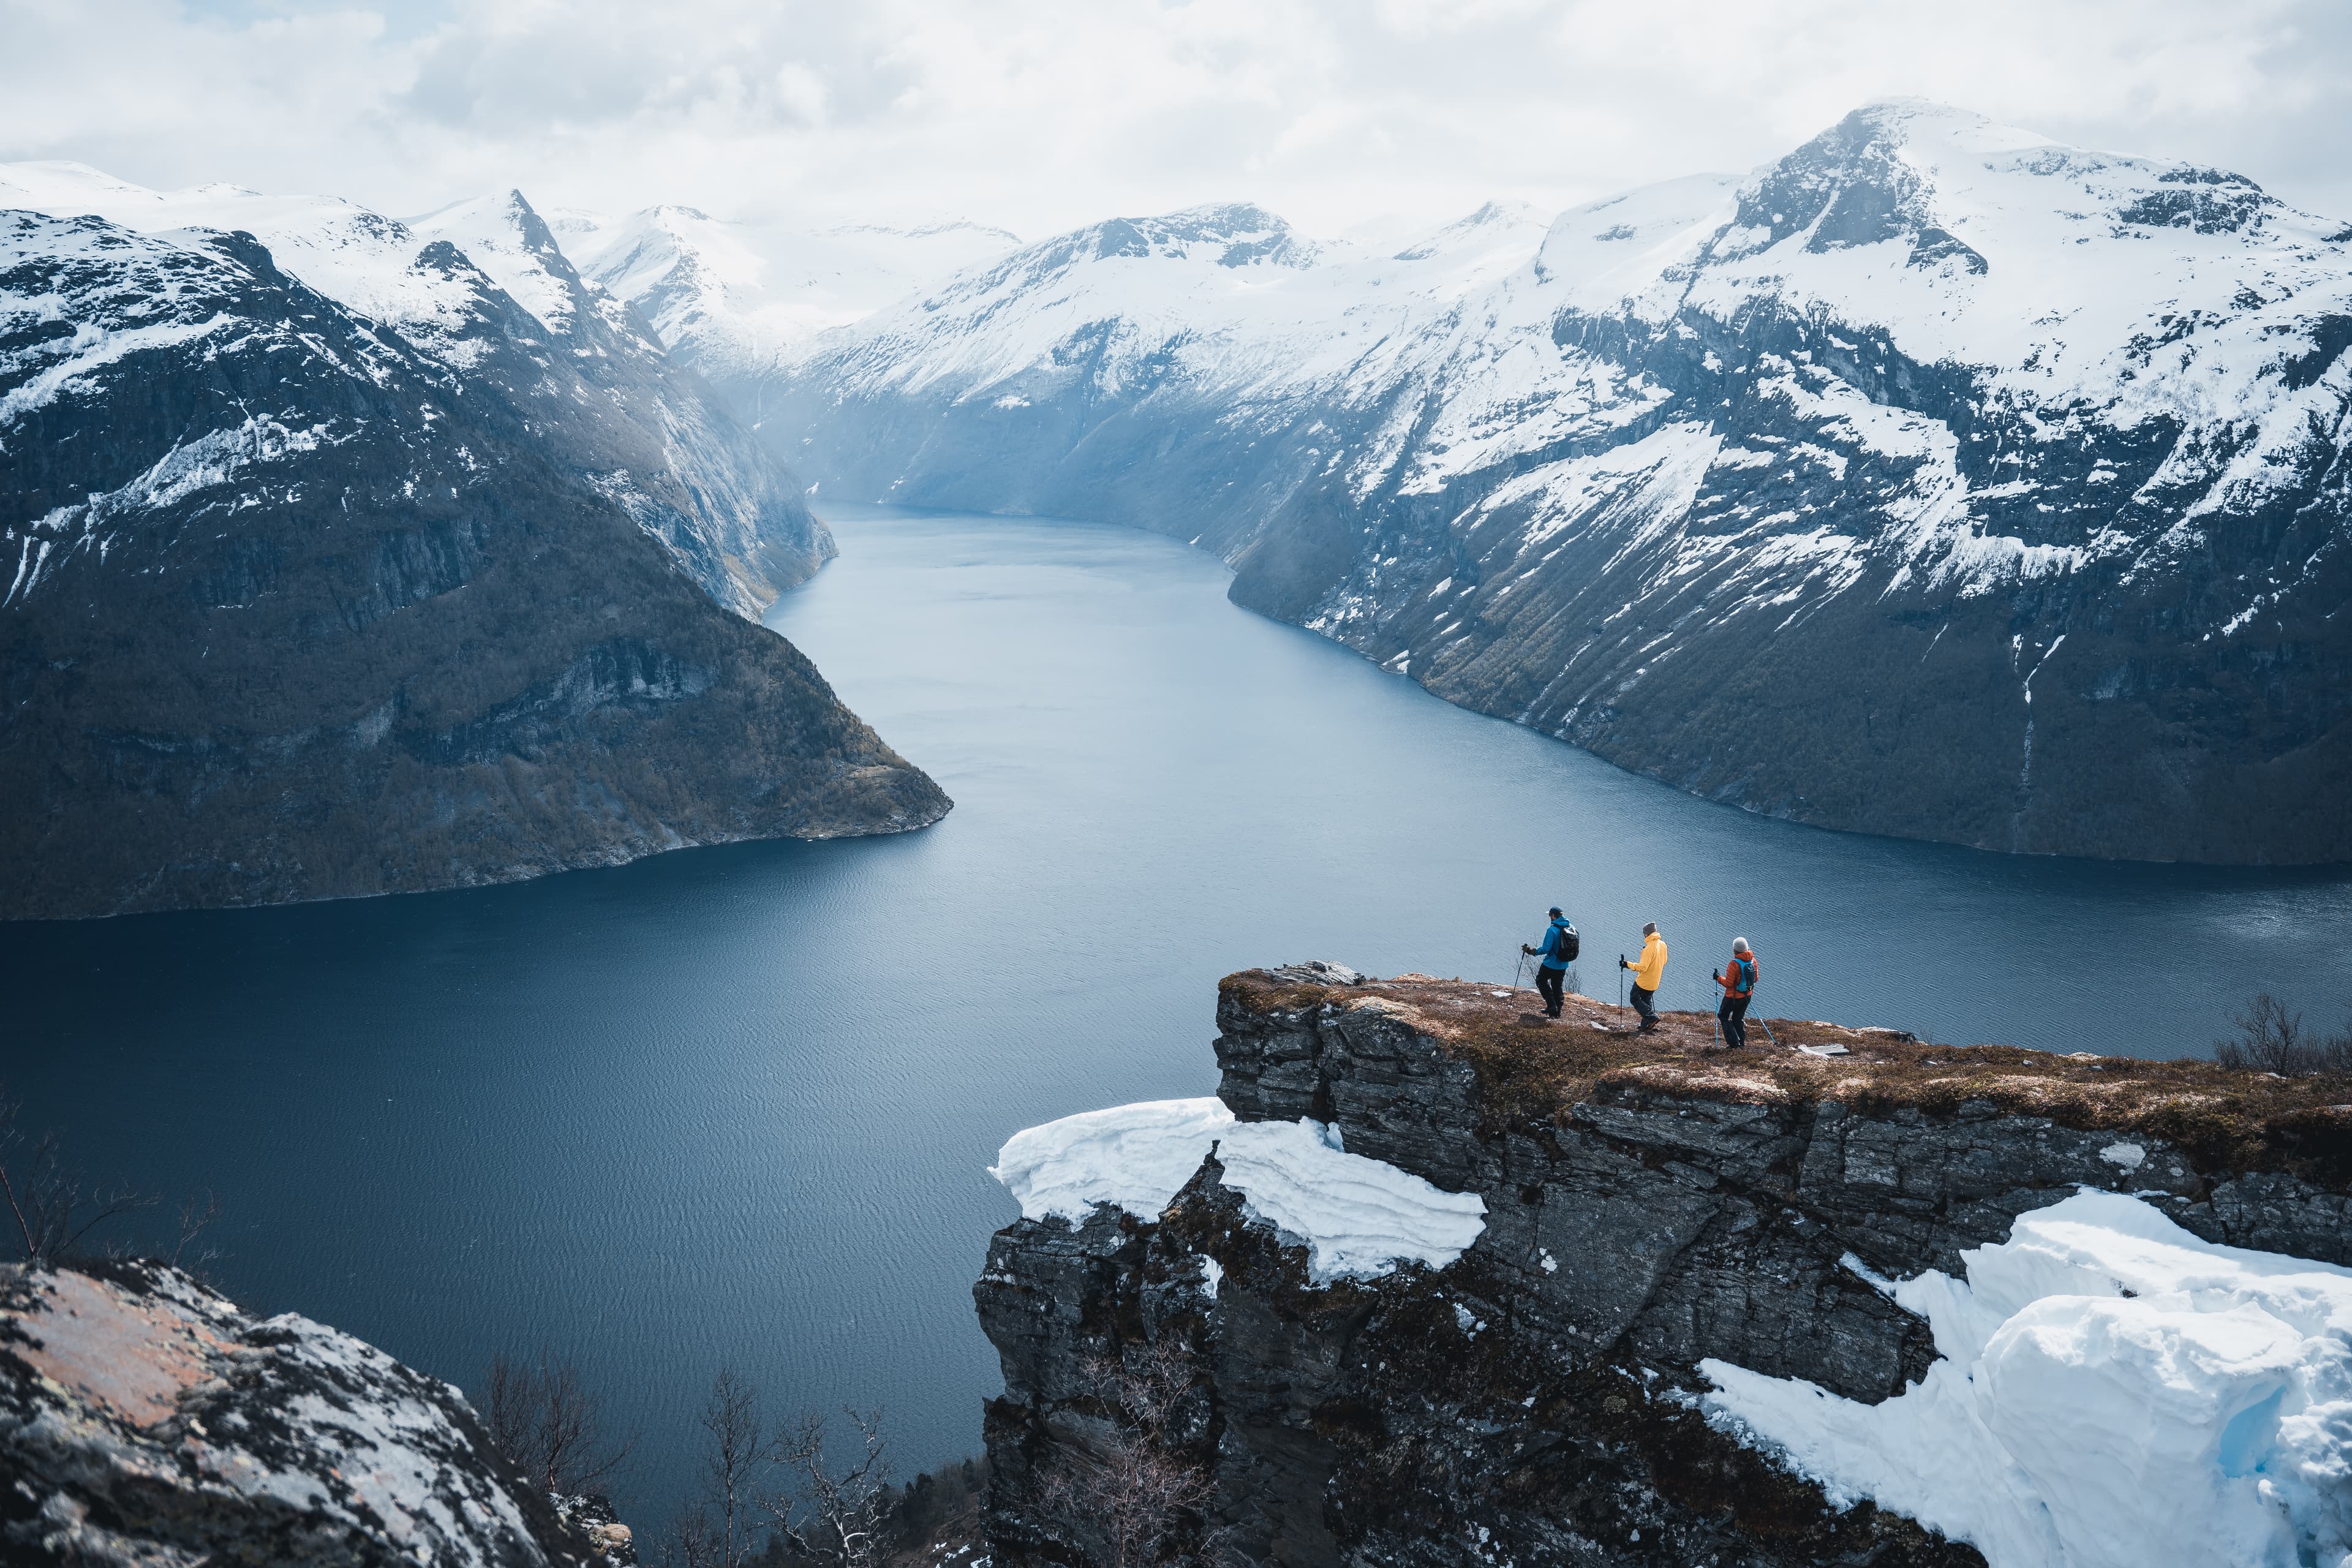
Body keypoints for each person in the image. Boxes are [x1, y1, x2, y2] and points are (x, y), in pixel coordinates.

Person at [1520, 907, 1576, 1019]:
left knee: (1541, 980)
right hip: (1563, 964)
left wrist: (1532, 951)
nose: (1550, 917)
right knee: (1557, 986)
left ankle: (1551, 1005)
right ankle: (1557, 1012)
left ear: (1553, 916)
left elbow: (1546, 949)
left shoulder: (1552, 930)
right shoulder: (1571, 927)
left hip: (1551, 963)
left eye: (1550, 915)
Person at [1619, 922, 1666, 1032]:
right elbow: (1664, 961)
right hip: (1655, 980)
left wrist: (1627, 964)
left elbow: (1643, 968)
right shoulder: (1662, 944)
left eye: (1644, 933)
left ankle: (1651, 1017)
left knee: (1634, 998)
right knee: (1646, 999)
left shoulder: (1649, 948)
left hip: (1644, 981)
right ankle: (1646, 1025)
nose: (1643, 935)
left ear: (1647, 934)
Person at [1713, 938, 1757, 1049]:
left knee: (1723, 1016)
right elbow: (1756, 979)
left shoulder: (1734, 964)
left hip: (1732, 997)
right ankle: (1741, 1042)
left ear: (1735, 950)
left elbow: (1729, 983)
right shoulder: (1753, 961)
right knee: (1738, 1018)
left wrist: (1718, 978)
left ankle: (1733, 1043)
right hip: (1747, 996)